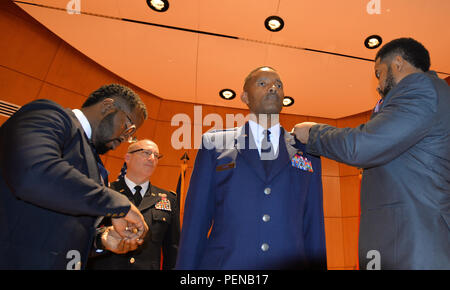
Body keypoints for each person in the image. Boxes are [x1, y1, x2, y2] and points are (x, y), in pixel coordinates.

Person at [293, 38, 450, 269]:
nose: (378, 84)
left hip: (414, 244)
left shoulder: (421, 89)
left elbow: (362, 146)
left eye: (379, 73)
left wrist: (315, 133)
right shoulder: (430, 93)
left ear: (398, 62)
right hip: (407, 241)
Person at [176, 67, 327, 270]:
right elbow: (195, 224)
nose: (273, 88)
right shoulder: (215, 144)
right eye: (263, 83)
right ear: (245, 97)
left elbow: (314, 226)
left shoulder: (307, 151)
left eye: (278, 85)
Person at [0, 84, 149, 269]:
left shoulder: (96, 164)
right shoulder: (50, 115)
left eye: (132, 135)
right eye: (128, 126)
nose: (126, 138)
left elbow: (59, 225)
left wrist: (100, 241)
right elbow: (33, 173)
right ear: (107, 106)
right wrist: (118, 204)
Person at [88, 139, 180, 270]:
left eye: (156, 155)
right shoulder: (105, 192)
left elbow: (172, 248)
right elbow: (86, 236)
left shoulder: (169, 199)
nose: (152, 158)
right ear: (128, 157)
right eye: (146, 153)